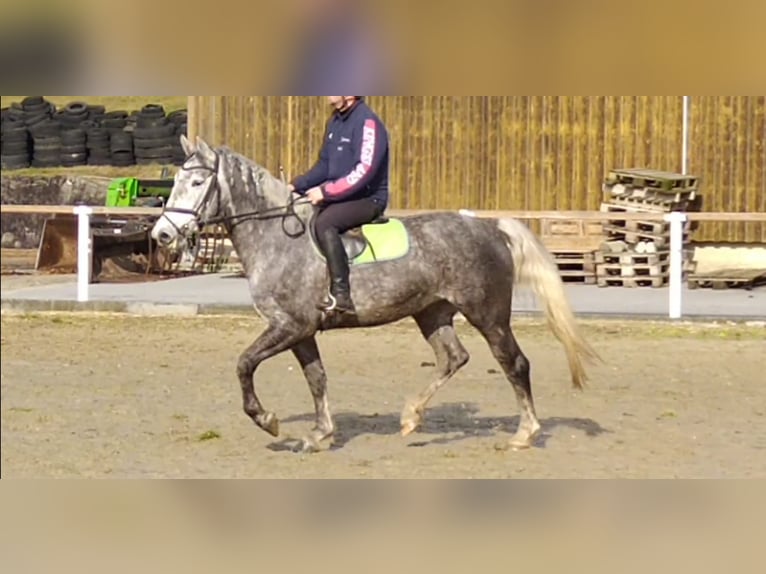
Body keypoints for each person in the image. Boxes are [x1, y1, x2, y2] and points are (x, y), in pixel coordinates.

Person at [288, 96, 390, 316]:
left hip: (367, 199)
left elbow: (364, 171)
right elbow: (324, 166)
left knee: (326, 223)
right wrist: (297, 184)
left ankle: (342, 294)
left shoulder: (367, 123)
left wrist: (325, 192)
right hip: (342, 196)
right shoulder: (335, 121)